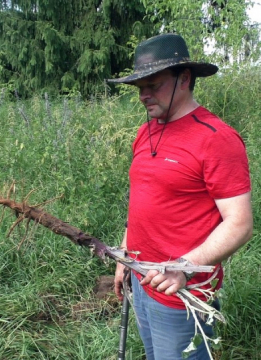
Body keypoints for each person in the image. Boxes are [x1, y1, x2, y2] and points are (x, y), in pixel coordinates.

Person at [108, 33, 253, 359]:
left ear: (184, 78)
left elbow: (240, 224)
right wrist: (124, 256)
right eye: (139, 87)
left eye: (153, 84)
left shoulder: (216, 139)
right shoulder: (147, 130)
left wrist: (185, 268)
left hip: (181, 293)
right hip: (142, 279)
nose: (143, 95)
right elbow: (142, 201)